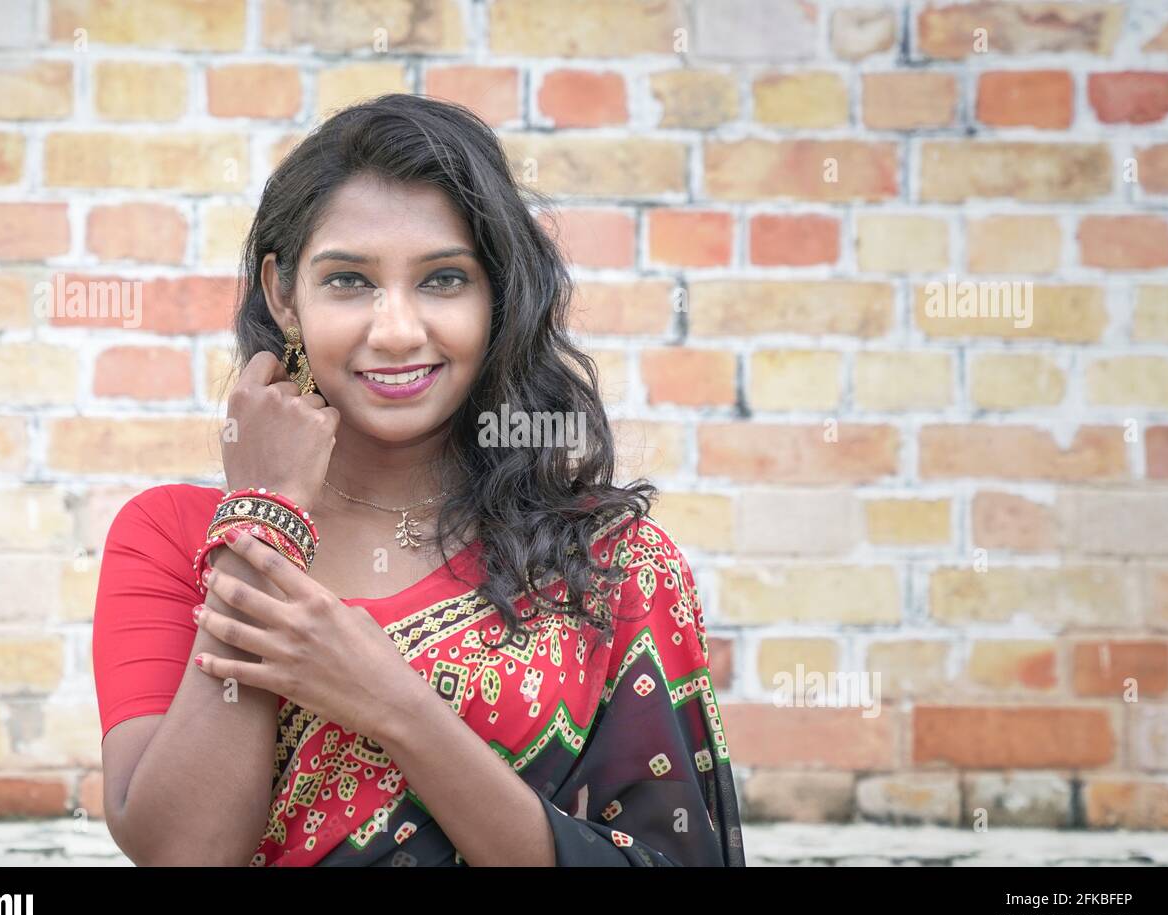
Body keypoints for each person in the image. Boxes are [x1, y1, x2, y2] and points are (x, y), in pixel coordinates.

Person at [91, 92, 744, 867]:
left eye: (442, 280)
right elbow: (181, 853)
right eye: (348, 281)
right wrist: (262, 517)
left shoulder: (608, 562)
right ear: (282, 296)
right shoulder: (170, 536)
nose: (397, 330)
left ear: (497, 297)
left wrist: (393, 704)